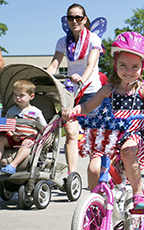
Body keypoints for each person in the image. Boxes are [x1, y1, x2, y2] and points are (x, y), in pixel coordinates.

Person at [62, 31, 144, 209]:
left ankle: (138, 193)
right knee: (94, 168)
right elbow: (87, 107)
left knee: (127, 151)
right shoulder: (108, 89)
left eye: (134, 66)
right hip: (109, 137)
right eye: (123, 65)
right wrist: (74, 110)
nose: (128, 71)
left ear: (143, 66)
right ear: (114, 64)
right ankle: (96, 204)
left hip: (134, 136)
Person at [47, 3, 104, 173]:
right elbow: (54, 65)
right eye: (70, 18)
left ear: (84, 19)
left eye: (78, 17)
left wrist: (82, 80)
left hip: (92, 90)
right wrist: (44, 78)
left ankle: (95, 172)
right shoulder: (62, 41)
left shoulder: (94, 38)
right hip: (71, 92)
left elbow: (91, 63)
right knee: (71, 134)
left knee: (94, 136)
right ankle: (72, 177)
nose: (74, 21)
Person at [0, 80, 47, 174]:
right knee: (1, 139)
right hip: (14, 137)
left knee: (27, 143)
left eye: (21, 95)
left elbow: (44, 127)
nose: (17, 97)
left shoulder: (36, 112)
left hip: (28, 138)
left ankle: (13, 165)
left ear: (31, 96)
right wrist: (11, 134)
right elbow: (6, 126)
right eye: (15, 94)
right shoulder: (11, 110)